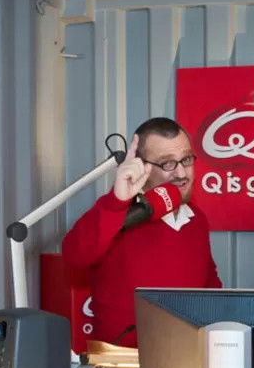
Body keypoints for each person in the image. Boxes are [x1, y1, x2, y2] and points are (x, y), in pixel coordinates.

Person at [62, 117, 221, 347]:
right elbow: (74, 255)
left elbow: (210, 288)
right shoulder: (116, 213)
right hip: (122, 361)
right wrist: (116, 202)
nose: (181, 173)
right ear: (141, 166)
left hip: (185, 357)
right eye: (167, 163)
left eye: (186, 159)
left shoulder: (196, 219)